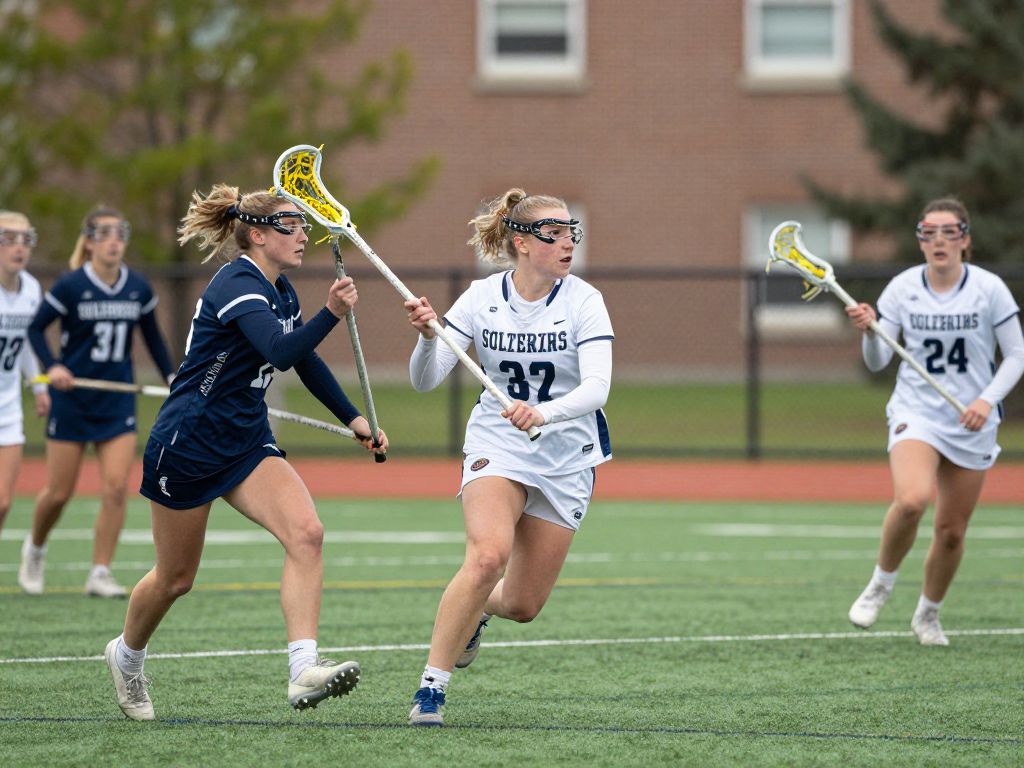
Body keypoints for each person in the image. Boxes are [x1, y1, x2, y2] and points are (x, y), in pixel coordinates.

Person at [103, 184, 387, 722]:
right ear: (257, 234)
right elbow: (280, 353)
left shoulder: (280, 290)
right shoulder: (237, 282)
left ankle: (303, 669)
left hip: (247, 443)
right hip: (188, 444)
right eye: (291, 225)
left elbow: (305, 361)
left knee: (307, 533)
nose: (304, 234)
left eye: (303, 225)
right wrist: (331, 312)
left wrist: (353, 418)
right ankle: (127, 654)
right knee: (175, 579)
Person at [402, 189, 613, 726]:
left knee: (521, 605)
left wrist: (543, 414)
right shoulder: (478, 297)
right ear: (521, 242)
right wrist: (430, 338)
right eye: (554, 233)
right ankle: (432, 688)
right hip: (498, 443)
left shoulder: (583, 300)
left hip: (567, 456)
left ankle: (477, 612)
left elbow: (598, 389)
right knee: (487, 555)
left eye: (572, 232)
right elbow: (425, 380)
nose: (568, 241)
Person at [846, 197, 1024, 646]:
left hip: (971, 421)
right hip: (917, 411)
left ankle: (928, 613)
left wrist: (985, 401)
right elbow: (877, 360)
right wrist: (871, 332)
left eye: (950, 231)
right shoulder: (903, 288)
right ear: (920, 241)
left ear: (965, 239)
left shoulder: (988, 288)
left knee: (950, 532)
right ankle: (881, 584)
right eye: (929, 232)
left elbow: (1017, 354)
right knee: (910, 501)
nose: (939, 240)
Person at [20, 206, 175, 598]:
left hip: (116, 401)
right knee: (58, 492)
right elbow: (36, 329)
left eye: (120, 233)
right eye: (104, 233)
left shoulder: (137, 287)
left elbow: (153, 339)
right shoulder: (71, 285)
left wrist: (173, 378)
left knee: (115, 487)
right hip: (72, 400)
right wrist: (53, 366)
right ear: (88, 242)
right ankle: (35, 547)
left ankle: (100, 571)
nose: (113, 241)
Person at [0, 211, 50, 540]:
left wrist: (39, 385)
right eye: (9, 239)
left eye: (26, 240)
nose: (20, 247)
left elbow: (30, 346)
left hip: (8, 407)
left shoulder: (32, 289)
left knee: (3, 503)